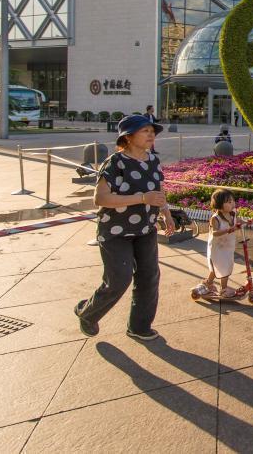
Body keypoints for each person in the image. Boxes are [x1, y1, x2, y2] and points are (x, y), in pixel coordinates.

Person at [74, 115, 175, 340]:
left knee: (149, 278)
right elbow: (101, 198)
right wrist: (141, 198)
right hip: (115, 232)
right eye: (144, 131)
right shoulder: (115, 162)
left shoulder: (152, 160)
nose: (151, 135)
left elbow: (158, 192)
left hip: (145, 230)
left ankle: (139, 327)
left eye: (152, 131)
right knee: (119, 279)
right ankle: (88, 313)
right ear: (128, 137)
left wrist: (166, 213)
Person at [195, 189, 243, 298]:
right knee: (222, 267)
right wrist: (229, 230)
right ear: (220, 204)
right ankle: (224, 289)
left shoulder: (232, 214)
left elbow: (238, 220)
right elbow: (215, 233)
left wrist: (244, 222)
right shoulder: (215, 218)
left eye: (232, 201)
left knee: (222, 267)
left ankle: (208, 282)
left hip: (228, 247)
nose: (232, 203)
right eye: (229, 202)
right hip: (217, 249)